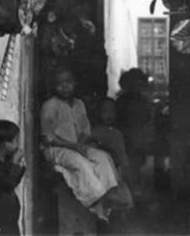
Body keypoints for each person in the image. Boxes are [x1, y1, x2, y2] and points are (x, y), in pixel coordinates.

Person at [40, 68, 127, 221]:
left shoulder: (79, 104)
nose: (64, 86)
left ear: (75, 83)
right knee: (81, 163)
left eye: (68, 82)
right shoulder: (50, 105)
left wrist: (81, 143)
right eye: (59, 84)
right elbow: (48, 138)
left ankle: (107, 197)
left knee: (103, 157)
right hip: (57, 148)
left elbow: (85, 129)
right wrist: (73, 146)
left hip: (77, 145)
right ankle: (96, 204)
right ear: (54, 86)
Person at [115, 68, 152, 197]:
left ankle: (132, 189)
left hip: (130, 134)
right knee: (133, 163)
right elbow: (147, 116)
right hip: (134, 134)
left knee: (131, 163)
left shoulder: (122, 100)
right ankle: (133, 189)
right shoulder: (141, 100)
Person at [91, 98, 130, 177]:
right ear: (98, 112)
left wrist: (125, 169)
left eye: (112, 111)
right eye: (105, 111)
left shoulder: (117, 133)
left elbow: (121, 153)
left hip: (115, 171)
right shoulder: (92, 132)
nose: (109, 114)